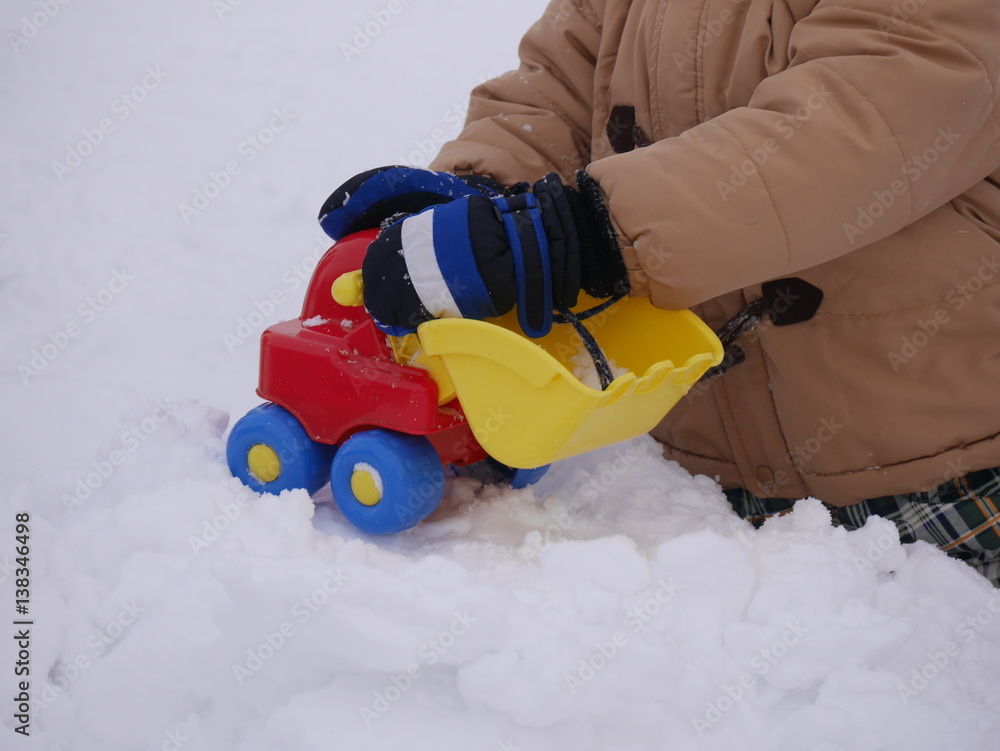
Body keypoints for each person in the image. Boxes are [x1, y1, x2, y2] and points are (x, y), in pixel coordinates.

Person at [319, 0, 1000, 584]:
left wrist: (581, 230)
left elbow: (871, 112)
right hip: (693, 471)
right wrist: (489, 198)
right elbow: (558, 85)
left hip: (941, 475)